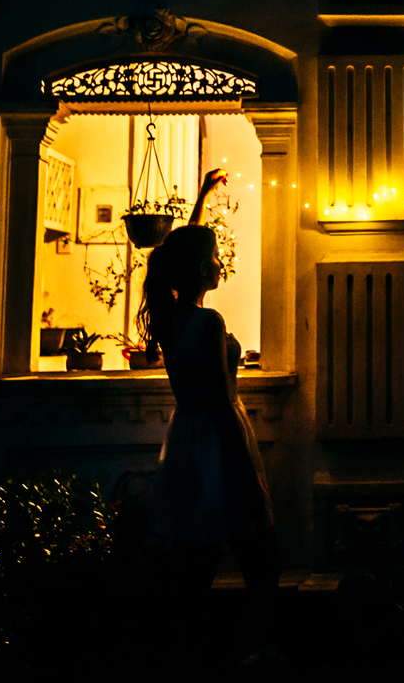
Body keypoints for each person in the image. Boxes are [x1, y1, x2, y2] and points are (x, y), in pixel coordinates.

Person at [142, 168, 278, 636]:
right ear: (202, 270)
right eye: (216, 257)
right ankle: (253, 647)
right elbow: (222, 403)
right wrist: (251, 477)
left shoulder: (168, 319)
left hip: (187, 442)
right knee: (261, 561)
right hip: (219, 442)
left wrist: (202, 198)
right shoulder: (210, 322)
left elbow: (179, 252)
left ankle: (188, 651)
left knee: (197, 562)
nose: (221, 262)